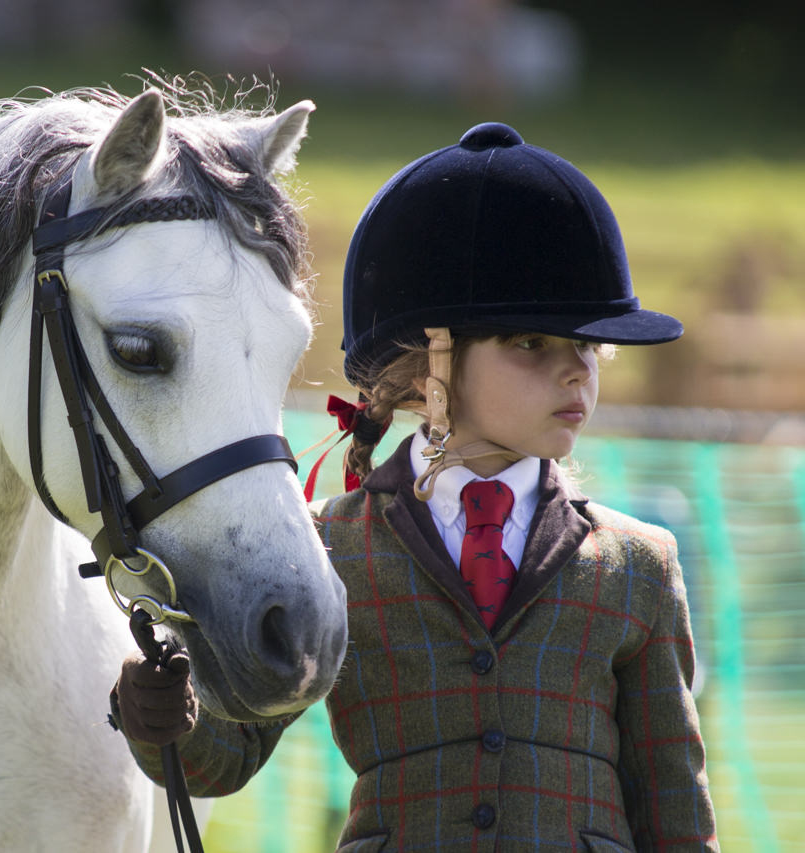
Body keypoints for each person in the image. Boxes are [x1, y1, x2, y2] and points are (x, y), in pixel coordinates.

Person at [110, 122, 718, 851]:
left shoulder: (638, 566)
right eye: (532, 343)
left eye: (587, 344)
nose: (576, 372)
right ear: (433, 357)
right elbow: (225, 757)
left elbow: (676, 816)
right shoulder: (329, 547)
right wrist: (164, 711)